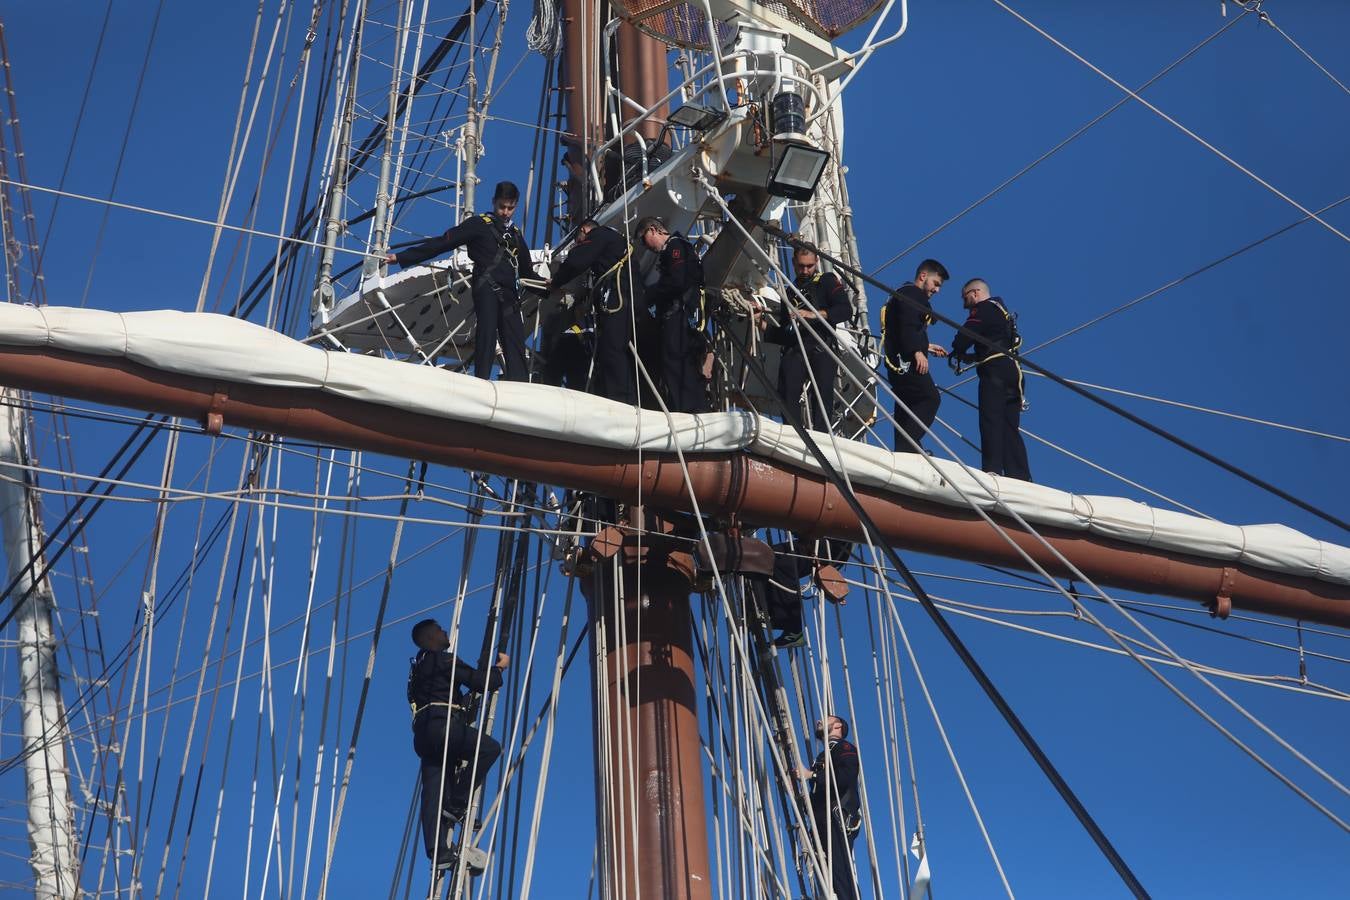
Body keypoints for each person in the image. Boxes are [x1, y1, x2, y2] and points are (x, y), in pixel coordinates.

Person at [387, 181, 533, 381]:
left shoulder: (515, 235)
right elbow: (444, 242)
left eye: (510, 208)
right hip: (487, 287)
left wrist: (552, 286)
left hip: (509, 293)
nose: (505, 212)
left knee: (514, 338)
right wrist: (403, 257)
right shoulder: (479, 224)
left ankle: (521, 384)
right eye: (502, 207)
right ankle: (481, 379)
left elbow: (528, 273)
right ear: (494, 203)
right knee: (487, 333)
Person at [406, 619, 509, 867]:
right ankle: (458, 803)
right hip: (444, 727)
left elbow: (439, 695)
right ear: (431, 638)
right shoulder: (443, 659)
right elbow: (483, 682)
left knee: (432, 790)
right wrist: (498, 669)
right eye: (441, 630)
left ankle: (437, 851)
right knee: (489, 748)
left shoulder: (416, 671)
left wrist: (462, 704)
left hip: (424, 734)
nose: (445, 632)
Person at [548, 218, 645, 404]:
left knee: (611, 350)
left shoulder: (598, 235)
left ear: (584, 230)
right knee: (618, 350)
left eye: (579, 241)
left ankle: (622, 400)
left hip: (617, 300)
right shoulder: (617, 242)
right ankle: (625, 397)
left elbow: (577, 262)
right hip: (632, 300)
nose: (579, 244)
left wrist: (556, 281)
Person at [951, 278, 1032, 480]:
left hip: (995, 373)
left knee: (991, 420)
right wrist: (968, 358)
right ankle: (1020, 476)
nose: (964, 304)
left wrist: (957, 350)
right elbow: (992, 345)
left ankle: (992, 470)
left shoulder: (983, 309)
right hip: (1013, 373)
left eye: (966, 297)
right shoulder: (1002, 312)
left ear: (976, 293)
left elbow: (964, 337)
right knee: (1009, 427)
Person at [769, 248, 853, 430]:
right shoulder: (789, 293)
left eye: (809, 266)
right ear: (793, 263)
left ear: (816, 263)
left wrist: (813, 314)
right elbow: (786, 332)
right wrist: (762, 325)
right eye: (801, 266)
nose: (805, 271)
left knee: (822, 395)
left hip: (821, 344)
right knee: (787, 391)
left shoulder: (827, 281)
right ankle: (795, 433)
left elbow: (845, 310)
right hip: (797, 347)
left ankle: (822, 437)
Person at [635, 216, 708, 413]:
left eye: (643, 239)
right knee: (675, 363)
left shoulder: (676, 246)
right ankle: (688, 408)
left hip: (680, 314)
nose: (645, 246)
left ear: (653, 230)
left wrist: (649, 295)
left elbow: (678, 281)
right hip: (680, 314)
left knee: (676, 361)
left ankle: (689, 410)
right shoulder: (675, 248)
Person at [881, 259, 949, 451]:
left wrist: (926, 346)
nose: (937, 290)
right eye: (936, 284)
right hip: (906, 362)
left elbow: (900, 327)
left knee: (906, 405)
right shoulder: (912, 294)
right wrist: (917, 351)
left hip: (895, 364)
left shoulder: (901, 294)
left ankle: (903, 450)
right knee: (930, 398)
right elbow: (908, 322)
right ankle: (908, 444)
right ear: (923, 276)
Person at [797, 715, 861, 900]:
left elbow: (845, 777)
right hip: (820, 820)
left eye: (825, 718)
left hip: (837, 817)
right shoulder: (822, 756)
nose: (818, 720)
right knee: (825, 873)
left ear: (838, 725)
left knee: (840, 872)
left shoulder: (845, 748)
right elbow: (819, 792)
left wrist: (812, 776)